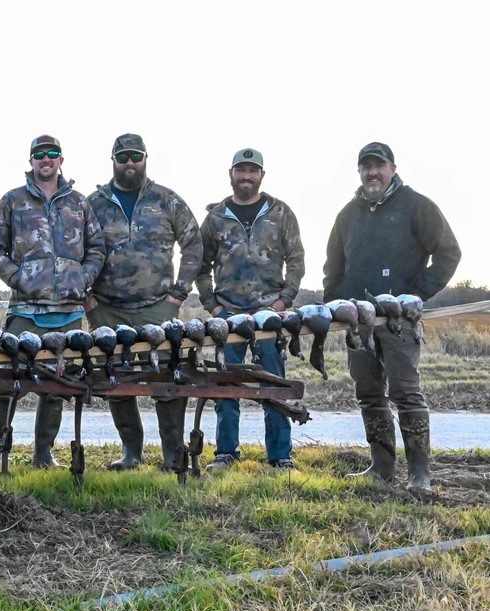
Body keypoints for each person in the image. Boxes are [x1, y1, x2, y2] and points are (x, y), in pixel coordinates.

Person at [323, 142, 461, 489]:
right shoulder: (347, 215)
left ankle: (419, 474)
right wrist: (340, 305)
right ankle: (382, 468)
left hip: (400, 321)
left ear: (392, 168)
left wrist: (416, 294)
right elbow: (333, 268)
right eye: (366, 167)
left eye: (379, 166)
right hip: (360, 322)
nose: (372, 173)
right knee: (368, 393)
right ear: (359, 172)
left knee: (405, 392)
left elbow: (448, 253)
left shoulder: (417, 206)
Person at [0, 135, 105, 468]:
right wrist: (20, 278)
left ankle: (43, 455)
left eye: (52, 154)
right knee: (8, 385)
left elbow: (97, 249)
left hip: (67, 313)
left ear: (61, 160)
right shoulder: (12, 201)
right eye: (39, 155)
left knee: (55, 388)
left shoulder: (79, 203)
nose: (45, 159)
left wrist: (83, 278)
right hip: (26, 313)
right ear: (32, 161)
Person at [86, 133, 202, 471]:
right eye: (122, 157)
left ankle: (172, 454)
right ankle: (131, 452)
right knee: (117, 381)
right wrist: (87, 300)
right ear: (113, 162)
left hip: (158, 308)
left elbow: (192, 244)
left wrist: (179, 292)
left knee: (167, 380)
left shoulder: (167, 200)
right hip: (107, 308)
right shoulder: (93, 203)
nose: (129, 163)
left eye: (135, 156)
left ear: (145, 158)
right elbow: (74, 249)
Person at [196, 148, 305, 471]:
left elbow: (297, 260)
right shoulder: (216, 217)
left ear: (261, 175)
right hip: (228, 315)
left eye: (252, 171)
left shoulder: (280, 212)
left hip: (269, 315)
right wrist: (213, 306)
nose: (246, 177)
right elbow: (199, 266)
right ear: (231, 174)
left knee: (273, 384)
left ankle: (280, 456)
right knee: (226, 386)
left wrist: (284, 301)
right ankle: (226, 453)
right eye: (241, 171)